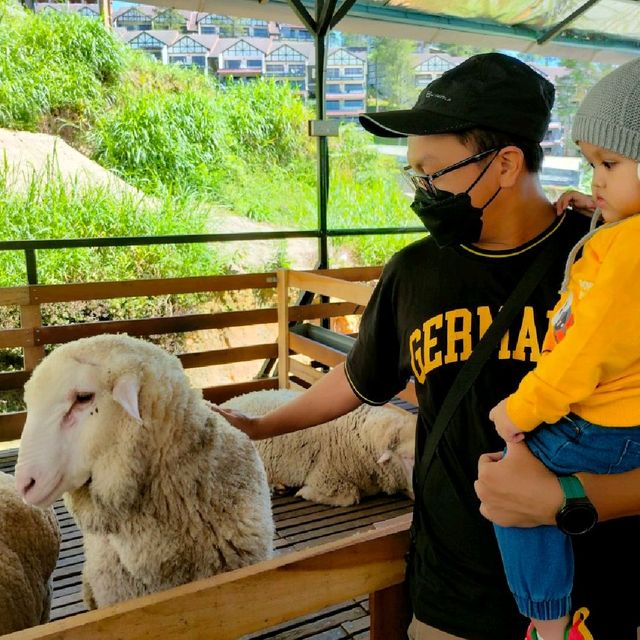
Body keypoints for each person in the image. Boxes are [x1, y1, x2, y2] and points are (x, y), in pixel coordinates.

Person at [214, 53, 640, 640]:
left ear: (506, 164)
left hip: (594, 594)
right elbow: (361, 376)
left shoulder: (608, 259)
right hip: (452, 588)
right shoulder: (414, 271)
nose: (421, 189)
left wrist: (563, 499)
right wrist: (263, 427)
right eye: (413, 172)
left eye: (432, 171)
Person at [488, 58, 640, 640]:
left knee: (508, 487)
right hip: (624, 424)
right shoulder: (621, 238)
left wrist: (520, 411)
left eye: (610, 163)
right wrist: (606, 210)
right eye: (590, 162)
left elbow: (586, 352)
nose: (596, 179)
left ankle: (546, 624)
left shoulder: (627, 251)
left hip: (600, 423)